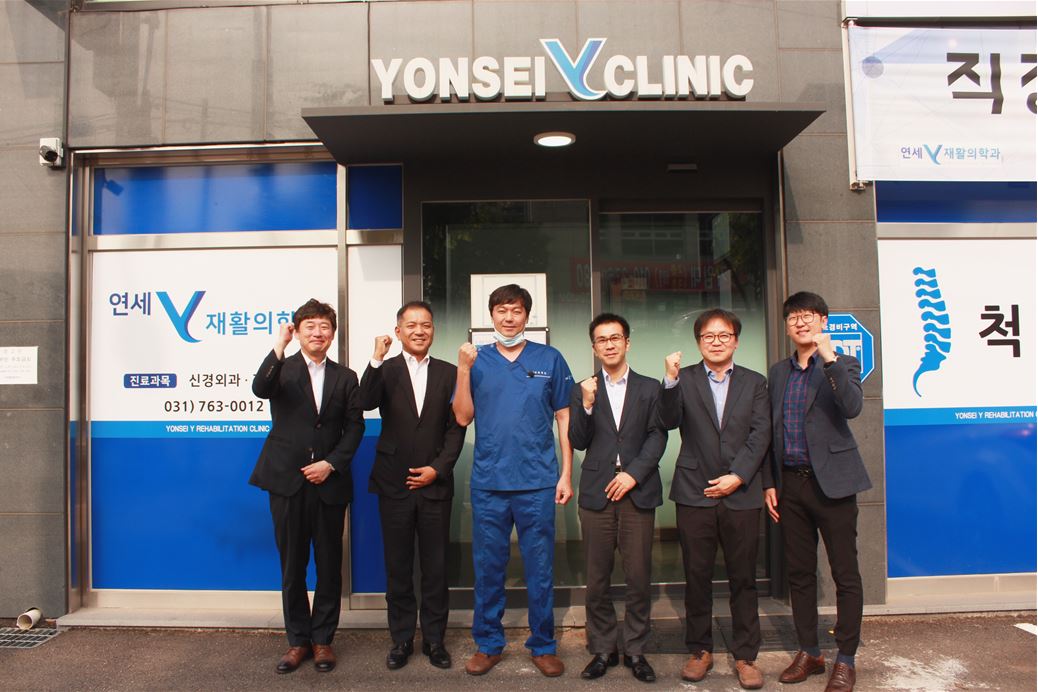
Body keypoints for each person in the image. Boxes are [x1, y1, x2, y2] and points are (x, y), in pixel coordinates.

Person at [452, 284, 574, 678]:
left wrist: (566, 474)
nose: (509, 317)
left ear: (527, 315)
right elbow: (462, 416)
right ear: (491, 315)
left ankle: (543, 645)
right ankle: (488, 644)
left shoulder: (549, 358)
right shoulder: (477, 360)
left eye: (517, 310)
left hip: (537, 481)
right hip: (490, 482)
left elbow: (564, 417)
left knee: (540, 567)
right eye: (502, 310)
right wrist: (463, 369)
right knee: (488, 567)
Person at [250, 298, 365, 674]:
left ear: (333, 334)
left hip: (328, 483)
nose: (318, 333)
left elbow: (355, 427)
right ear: (297, 332)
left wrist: (331, 464)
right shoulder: (281, 369)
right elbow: (259, 389)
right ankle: (298, 641)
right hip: (287, 481)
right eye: (310, 326)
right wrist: (278, 346)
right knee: (292, 566)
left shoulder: (346, 377)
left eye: (324, 326)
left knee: (330, 565)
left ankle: (323, 640)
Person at [764, 292, 871, 692]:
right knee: (799, 572)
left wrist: (829, 359)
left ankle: (846, 658)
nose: (800, 322)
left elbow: (852, 407)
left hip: (835, 485)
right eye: (793, 317)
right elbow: (771, 430)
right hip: (791, 484)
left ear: (823, 321)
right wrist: (769, 482)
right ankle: (809, 651)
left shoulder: (842, 363)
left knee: (845, 573)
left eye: (808, 315)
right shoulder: (778, 372)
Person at [659, 308, 771, 690]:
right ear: (699, 342)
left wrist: (738, 476)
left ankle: (745, 655)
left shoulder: (755, 382)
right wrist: (669, 380)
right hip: (695, 490)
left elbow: (761, 433)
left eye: (724, 335)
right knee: (697, 576)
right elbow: (668, 421)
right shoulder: (684, 378)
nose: (717, 341)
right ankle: (699, 650)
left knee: (744, 578)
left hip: (742, 492)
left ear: (736, 341)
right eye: (709, 336)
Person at [358, 301, 467, 671]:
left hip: (435, 484)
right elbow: (365, 401)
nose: (420, 331)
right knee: (398, 566)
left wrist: (438, 469)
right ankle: (402, 639)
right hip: (394, 482)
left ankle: (435, 640)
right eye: (412, 325)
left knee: (436, 567)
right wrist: (375, 357)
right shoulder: (385, 370)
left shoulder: (449, 373)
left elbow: (457, 428)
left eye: (426, 325)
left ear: (433, 330)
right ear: (399, 330)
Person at [568, 313, 667, 684]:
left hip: (636, 490)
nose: (609, 345)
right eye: (601, 340)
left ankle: (636, 650)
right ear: (594, 348)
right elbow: (578, 439)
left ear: (627, 342)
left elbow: (658, 435)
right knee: (597, 579)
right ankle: (603, 649)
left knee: (638, 576)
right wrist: (587, 404)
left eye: (615, 338)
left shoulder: (650, 387)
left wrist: (632, 474)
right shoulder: (584, 388)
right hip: (597, 492)